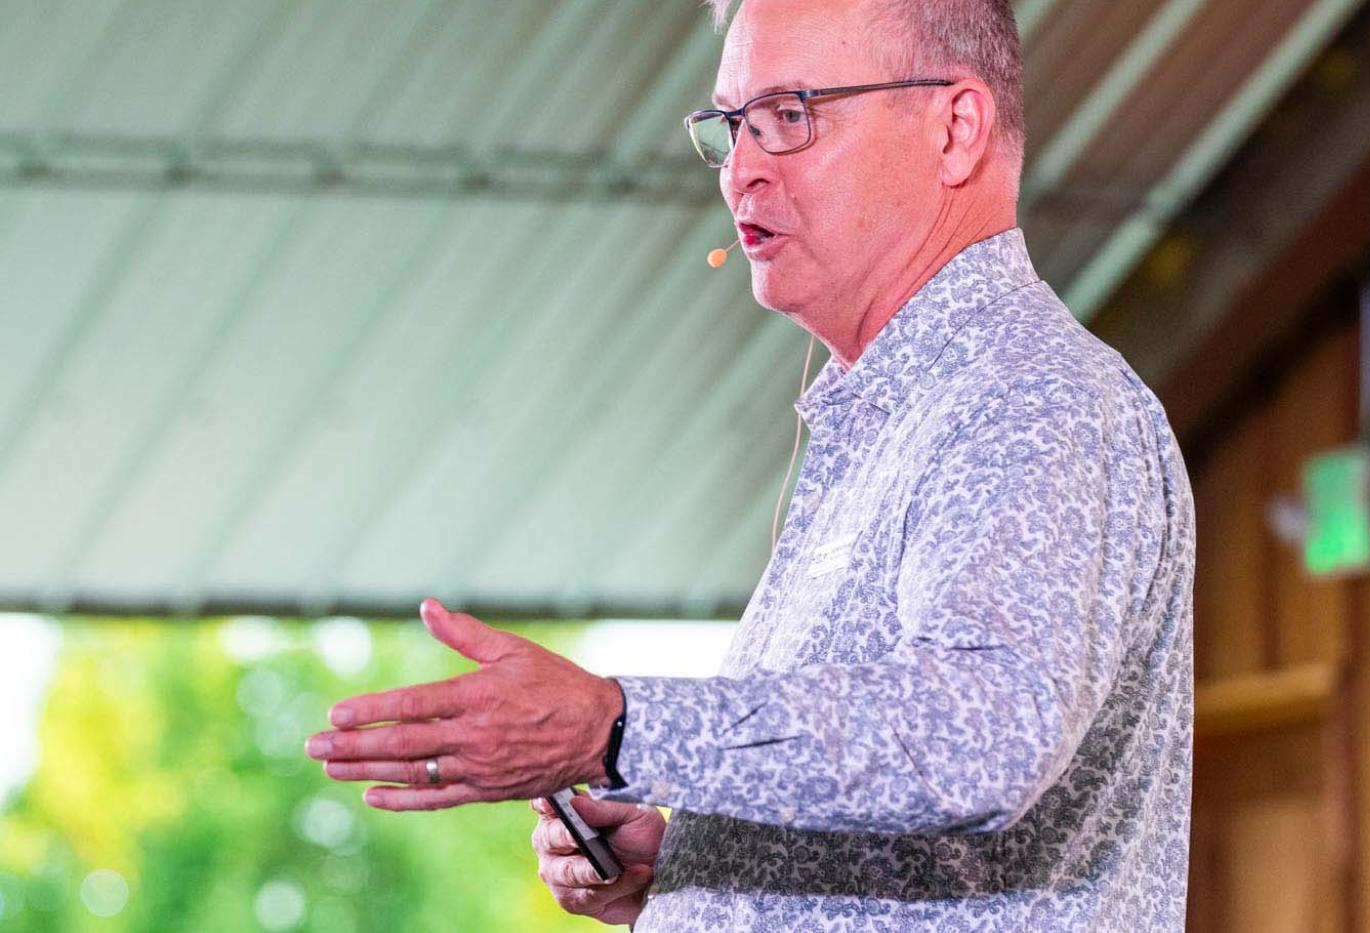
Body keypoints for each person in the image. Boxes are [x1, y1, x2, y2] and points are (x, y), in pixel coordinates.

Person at [305, 0, 1196, 929]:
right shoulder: (903, 412)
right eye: (731, 126)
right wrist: (705, 861)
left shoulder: (1031, 393)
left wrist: (613, 725)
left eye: (791, 115)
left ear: (956, 130)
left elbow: (980, 733)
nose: (742, 168)